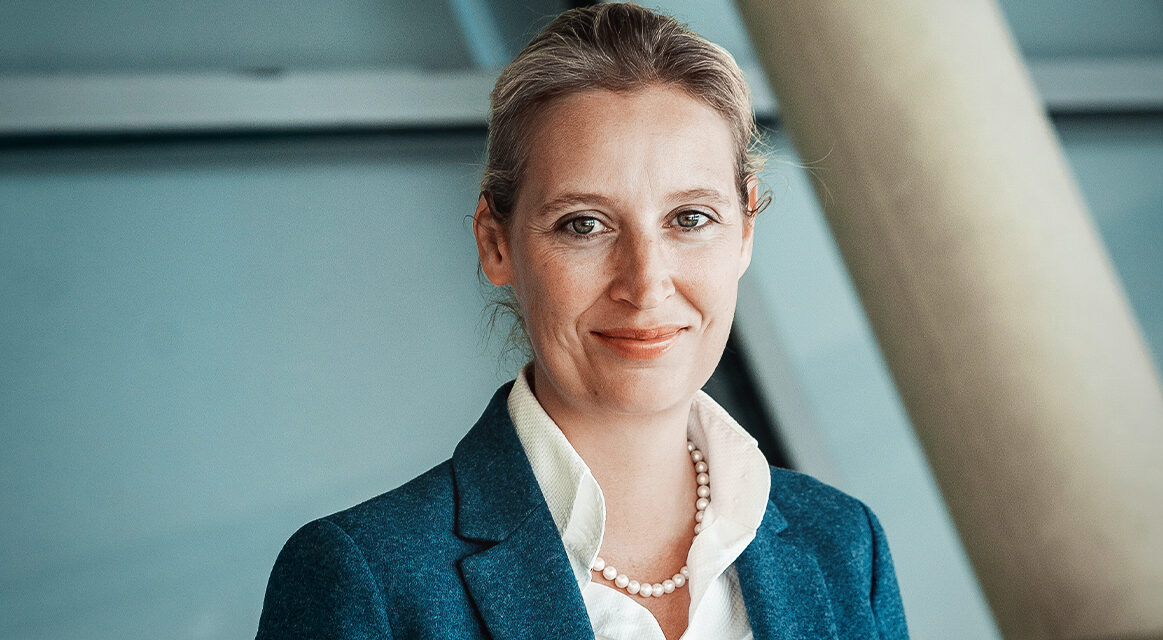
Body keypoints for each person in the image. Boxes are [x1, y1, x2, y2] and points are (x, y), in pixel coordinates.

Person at [255, 4, 908, 639]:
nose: (645, 284)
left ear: (744, 232)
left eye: (690, 219)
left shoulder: (845, 546)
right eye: (584, 225)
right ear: (496, 244)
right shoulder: (365, 579)